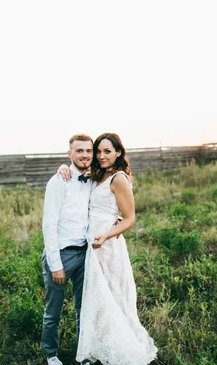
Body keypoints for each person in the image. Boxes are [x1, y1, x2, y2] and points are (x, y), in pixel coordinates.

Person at [59, 132, 157, 365]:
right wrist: (62, 166)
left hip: (107, 246)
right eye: (99, 151)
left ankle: (120, 347)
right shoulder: (99, 175)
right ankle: (100, 346)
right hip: (92, 246)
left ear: (119, 153)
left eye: (107, 151)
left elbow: (129, 218)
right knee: (97, 299)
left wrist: (106, 236)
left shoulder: (119, 179)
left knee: (112, 297)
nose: (101, 156)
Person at [41, 133, 94, 365]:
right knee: (53, 312)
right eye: (79, 151)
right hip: (61, 254)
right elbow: (48, 225)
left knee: (84, 309)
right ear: (69, 153)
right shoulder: (58, 182)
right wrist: (55, 265)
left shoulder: (93, 179)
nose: (85, 155)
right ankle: (51, 354)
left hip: (86, 254)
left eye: (88, 151)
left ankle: (83, 354)